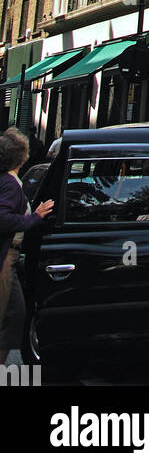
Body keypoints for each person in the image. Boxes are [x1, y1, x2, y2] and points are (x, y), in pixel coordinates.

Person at [0, 127, 54, 364]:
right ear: (22, 156)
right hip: (6, 257)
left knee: (13, 313)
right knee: (12, 314)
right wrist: (36, 217)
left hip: (9, 257)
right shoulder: (11, 184)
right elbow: (3, 218)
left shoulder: (8, 180)